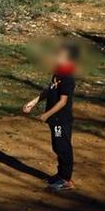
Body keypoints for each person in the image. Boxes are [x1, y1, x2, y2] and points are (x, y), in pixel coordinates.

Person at [21, 41, 79, 192]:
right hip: (55, 120)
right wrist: (34, 102)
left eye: (60, 55)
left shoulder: (67, 78)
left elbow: (63, 101)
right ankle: (61, 175)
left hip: (61, 120)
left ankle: (66, 180)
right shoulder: (58, 74)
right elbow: (49, 90)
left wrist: (46, 114)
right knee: (57, 146)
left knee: (62, 147)